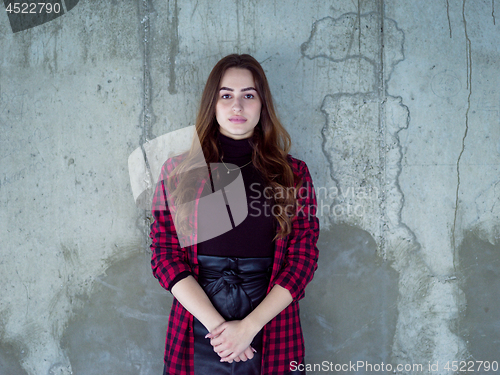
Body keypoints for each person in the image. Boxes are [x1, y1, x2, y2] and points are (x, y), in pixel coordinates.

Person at [150, 54, 319, 375]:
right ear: (211, 105)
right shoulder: (177, 172)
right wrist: (220, 331)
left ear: (262, 105)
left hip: (270, 324)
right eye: (226, 95)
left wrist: (248, 328)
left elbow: (303, 259)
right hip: (197, 325)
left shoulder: (293, 174)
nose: (237, 106)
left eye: (248, 96)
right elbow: (164, 255)